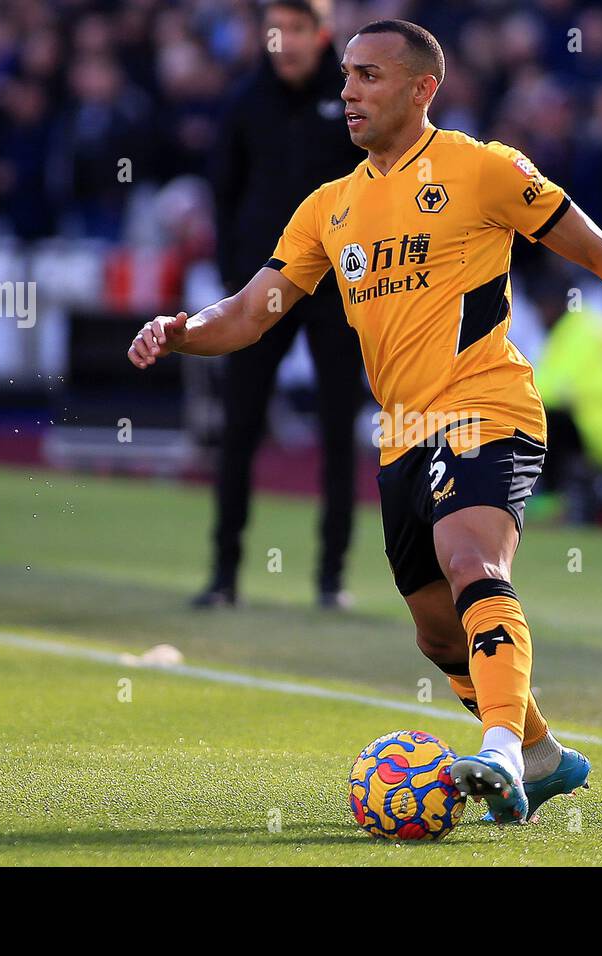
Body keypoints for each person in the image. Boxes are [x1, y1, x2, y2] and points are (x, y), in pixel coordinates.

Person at [129, 20, 602, 824]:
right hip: (402, 433)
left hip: (488, 406)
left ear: (423, 89)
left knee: (471, 560)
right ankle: (545, 753)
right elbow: (249, 314)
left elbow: (600, 252)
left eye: (369, 76)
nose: (347, 90)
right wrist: (181, 330)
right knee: (439, 637)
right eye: (346, 76)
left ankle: (499, 754)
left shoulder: (482, 169)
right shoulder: (328, 209)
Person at [195, 0, 366, 610]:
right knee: (239, 427)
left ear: (322, 34)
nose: (285, 42)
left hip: (338, 289)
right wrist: (233, 282)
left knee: (338, 431)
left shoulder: (352, 99)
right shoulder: (245, 102)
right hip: (261, 286)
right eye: (276, 30)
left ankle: (330, 578)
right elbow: (223, 196)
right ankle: (223, 575)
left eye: (297, 30)